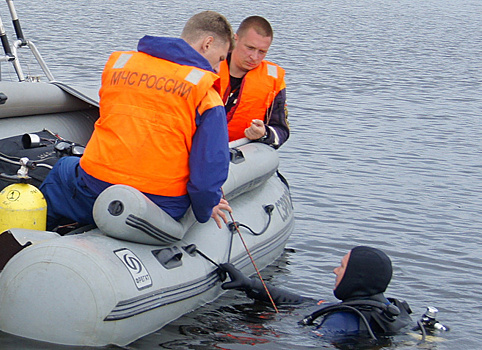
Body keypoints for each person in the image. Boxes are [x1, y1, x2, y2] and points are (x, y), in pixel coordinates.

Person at [40, 11, 234, 231]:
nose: (218, 69)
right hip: (161, 203)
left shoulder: (121, 66)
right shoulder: (206, 93)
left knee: (64, 168)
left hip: (95, 188)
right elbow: (208, 171)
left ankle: (33, 236)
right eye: (220, 59)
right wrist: (205, 209)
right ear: (207, 43)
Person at [219, 246, 414, 339]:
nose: (335, 271)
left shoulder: (342, 319)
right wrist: (250, 284)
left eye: (342, 266)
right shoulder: (391, 310)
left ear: (357, 277)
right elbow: (303, 302)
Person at [218, 16, 289, 149]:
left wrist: (263, 133)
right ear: (235, 39)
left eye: (262, 52)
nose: (254, 57)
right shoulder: (208, 66)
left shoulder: (273, 82)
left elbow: (282, 131)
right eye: (250, 48)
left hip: (237, 155)